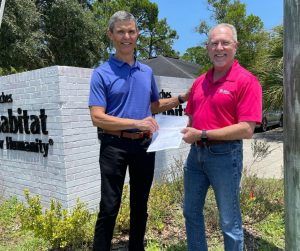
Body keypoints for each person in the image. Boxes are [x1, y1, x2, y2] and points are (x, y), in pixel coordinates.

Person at [88, 11, 189, 251]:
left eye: (131, 31)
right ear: (110, 35)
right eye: (121, 31)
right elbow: (97, 118)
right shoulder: (102, 73)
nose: (126, 36)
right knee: (109, 206)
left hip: (144, 146)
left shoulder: (146, 72)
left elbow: (153, 106)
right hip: (114, 146)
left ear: (137, 34)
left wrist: (182, 97)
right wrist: (136, 123)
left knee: (140, 205)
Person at [181, 23, 262, 251]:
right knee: (191, 211)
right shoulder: (200, 81)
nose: (219, 48)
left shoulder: (246, 81)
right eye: (214, 43)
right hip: (195, 155)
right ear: (207, 48)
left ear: (235, 46)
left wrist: (203, 134)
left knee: (229, 219)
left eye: (225, 43)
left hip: (225, 156)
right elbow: (191, 118)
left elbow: (247, 129)